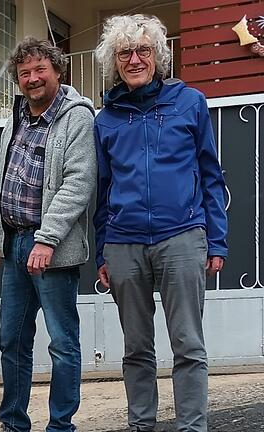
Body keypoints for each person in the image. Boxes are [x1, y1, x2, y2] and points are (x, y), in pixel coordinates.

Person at [93, 15, 228, 432]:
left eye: (143, 50)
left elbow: (211, 174)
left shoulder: (190, 102)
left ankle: (192, 427)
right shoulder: (105, 120)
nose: (134, 59)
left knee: (188, 344)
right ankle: (141, 425)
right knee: (136, 348)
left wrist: (216, 240)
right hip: (124, 244)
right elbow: (101, 189)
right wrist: (102, 250)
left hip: (182, 236)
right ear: (115, 63)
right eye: (125, 53)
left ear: (158, 56)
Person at [0, 37, 97, 432]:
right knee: (11, 341)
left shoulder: (78, 116)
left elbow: (79, 182)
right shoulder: (16, 114)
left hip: (52, 248)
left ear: (57, 71)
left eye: (39, 70)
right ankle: (13, 422)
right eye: (24, 72)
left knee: (62, 344)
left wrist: (47, 239)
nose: (31, 79)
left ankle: (60, 424)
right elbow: (1, 176)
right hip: (14, 245)